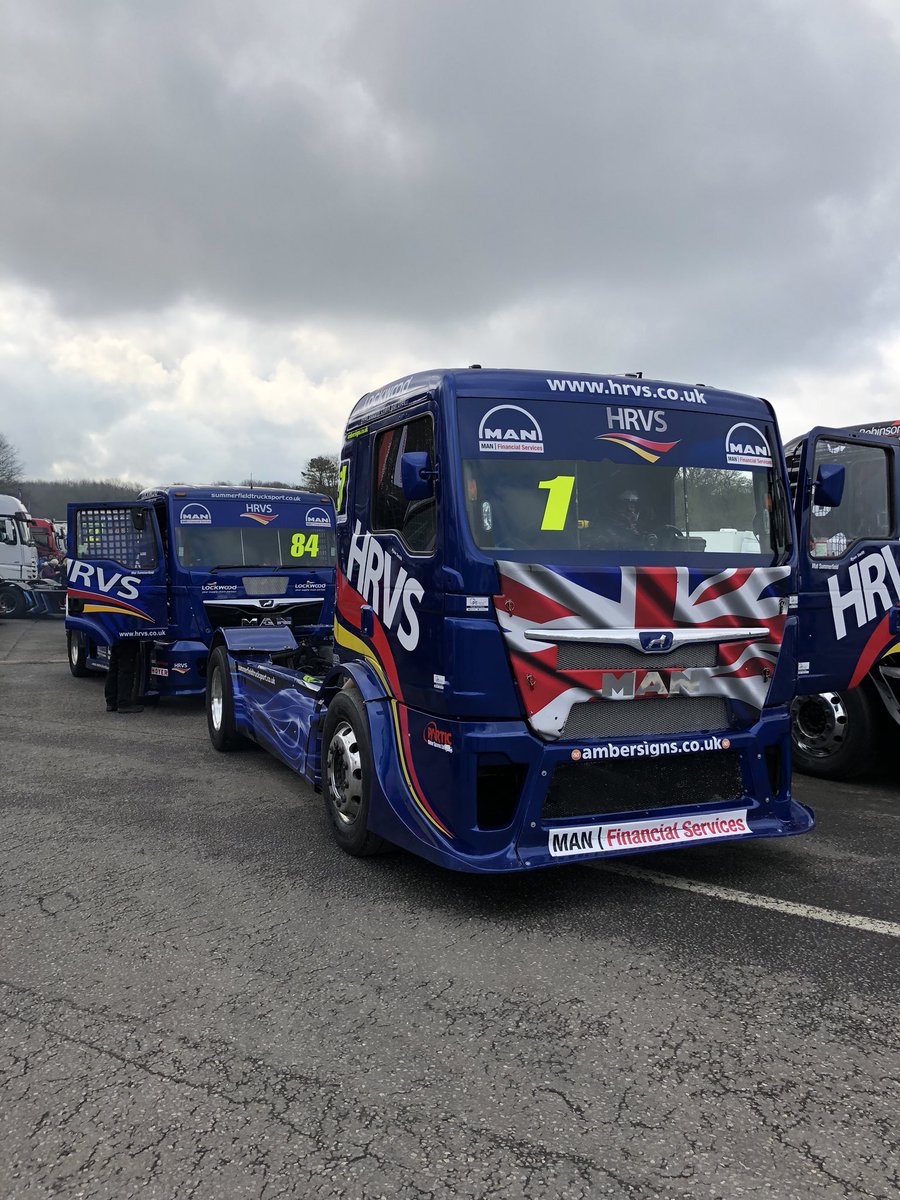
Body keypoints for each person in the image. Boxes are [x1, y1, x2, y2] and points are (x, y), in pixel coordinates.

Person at [104, 638, 144, 714]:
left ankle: (111, 702)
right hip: (127, 637)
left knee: (114, 668)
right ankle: (124, 703)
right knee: (126, 669)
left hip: (116, 636)